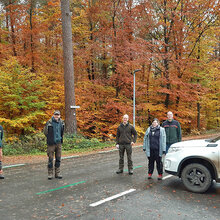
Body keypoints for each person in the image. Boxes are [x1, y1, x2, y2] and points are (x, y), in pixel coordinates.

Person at [44, 110, 65, 180]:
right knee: (50, 159)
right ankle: (50, 174)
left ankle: (57, 173)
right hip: (51, 144)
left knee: (58, 159)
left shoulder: (62, 122)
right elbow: (45, 132)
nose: (56, 116)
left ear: (60, 115)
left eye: (58, 115)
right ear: (53, 115)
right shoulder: (49, 122)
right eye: (55, 115)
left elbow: (62, 131)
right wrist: (50, 138)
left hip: (59, 143)